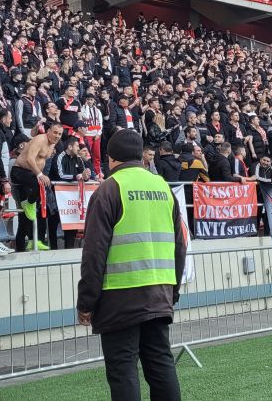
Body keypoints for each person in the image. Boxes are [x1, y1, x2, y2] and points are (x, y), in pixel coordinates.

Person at [76, 129, 185, 401]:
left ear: (111, 158)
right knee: (161, 364)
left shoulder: (108, 189)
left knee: (123, 370)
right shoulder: (163, 187)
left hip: (119, 298)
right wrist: (173, 290)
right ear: (141, 155)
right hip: (159, 293)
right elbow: (179, 246)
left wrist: (87, 302)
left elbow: (94, 253)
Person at [11, 122, 63, 252]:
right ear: (48, 131)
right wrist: (40, 175)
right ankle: (29, 204)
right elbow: (29, 159)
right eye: (55, 132)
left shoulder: (53, 144)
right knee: (38, 188)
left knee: (31, 213)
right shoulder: (40, 139)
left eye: (60, 134)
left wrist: (41, 175)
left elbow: (42, 160)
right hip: (20, 172)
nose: (57, 136)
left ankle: (32, 241)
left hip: (31, 176)